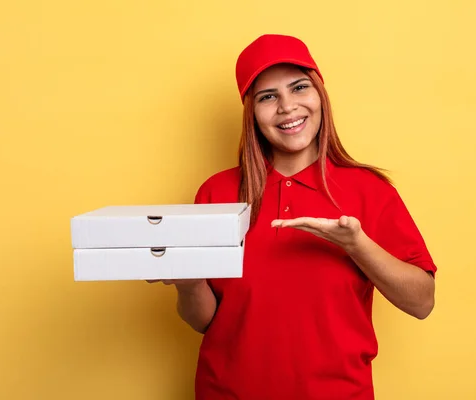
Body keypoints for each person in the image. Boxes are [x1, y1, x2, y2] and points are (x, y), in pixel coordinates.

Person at [149, 34, 437, 400]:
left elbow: (422, 303)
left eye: (299, 88)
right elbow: (205, 322)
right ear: (251, 112)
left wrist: (356, 244)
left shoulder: (371, 191)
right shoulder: (215, 193)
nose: (287, 107)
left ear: (319, 95)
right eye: (268, 97)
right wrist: (188, 284)